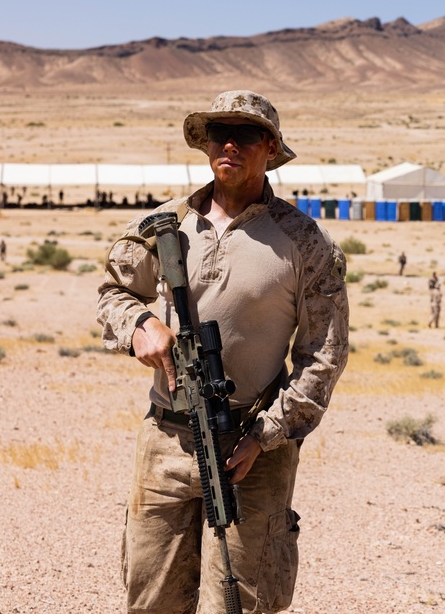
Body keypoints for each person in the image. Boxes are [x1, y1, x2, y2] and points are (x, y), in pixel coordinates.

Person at [97, 90, 350, 613]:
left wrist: (265, 435)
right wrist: (141, 324)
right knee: (152, 600)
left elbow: (323, 355)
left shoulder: (305, 242)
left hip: (252, 451)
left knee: (238, 604)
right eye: (218, 133)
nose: (230, 144)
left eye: (247, 134)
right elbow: (113, 292)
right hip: (166, 442)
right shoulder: (163, 225)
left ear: (271, 146)